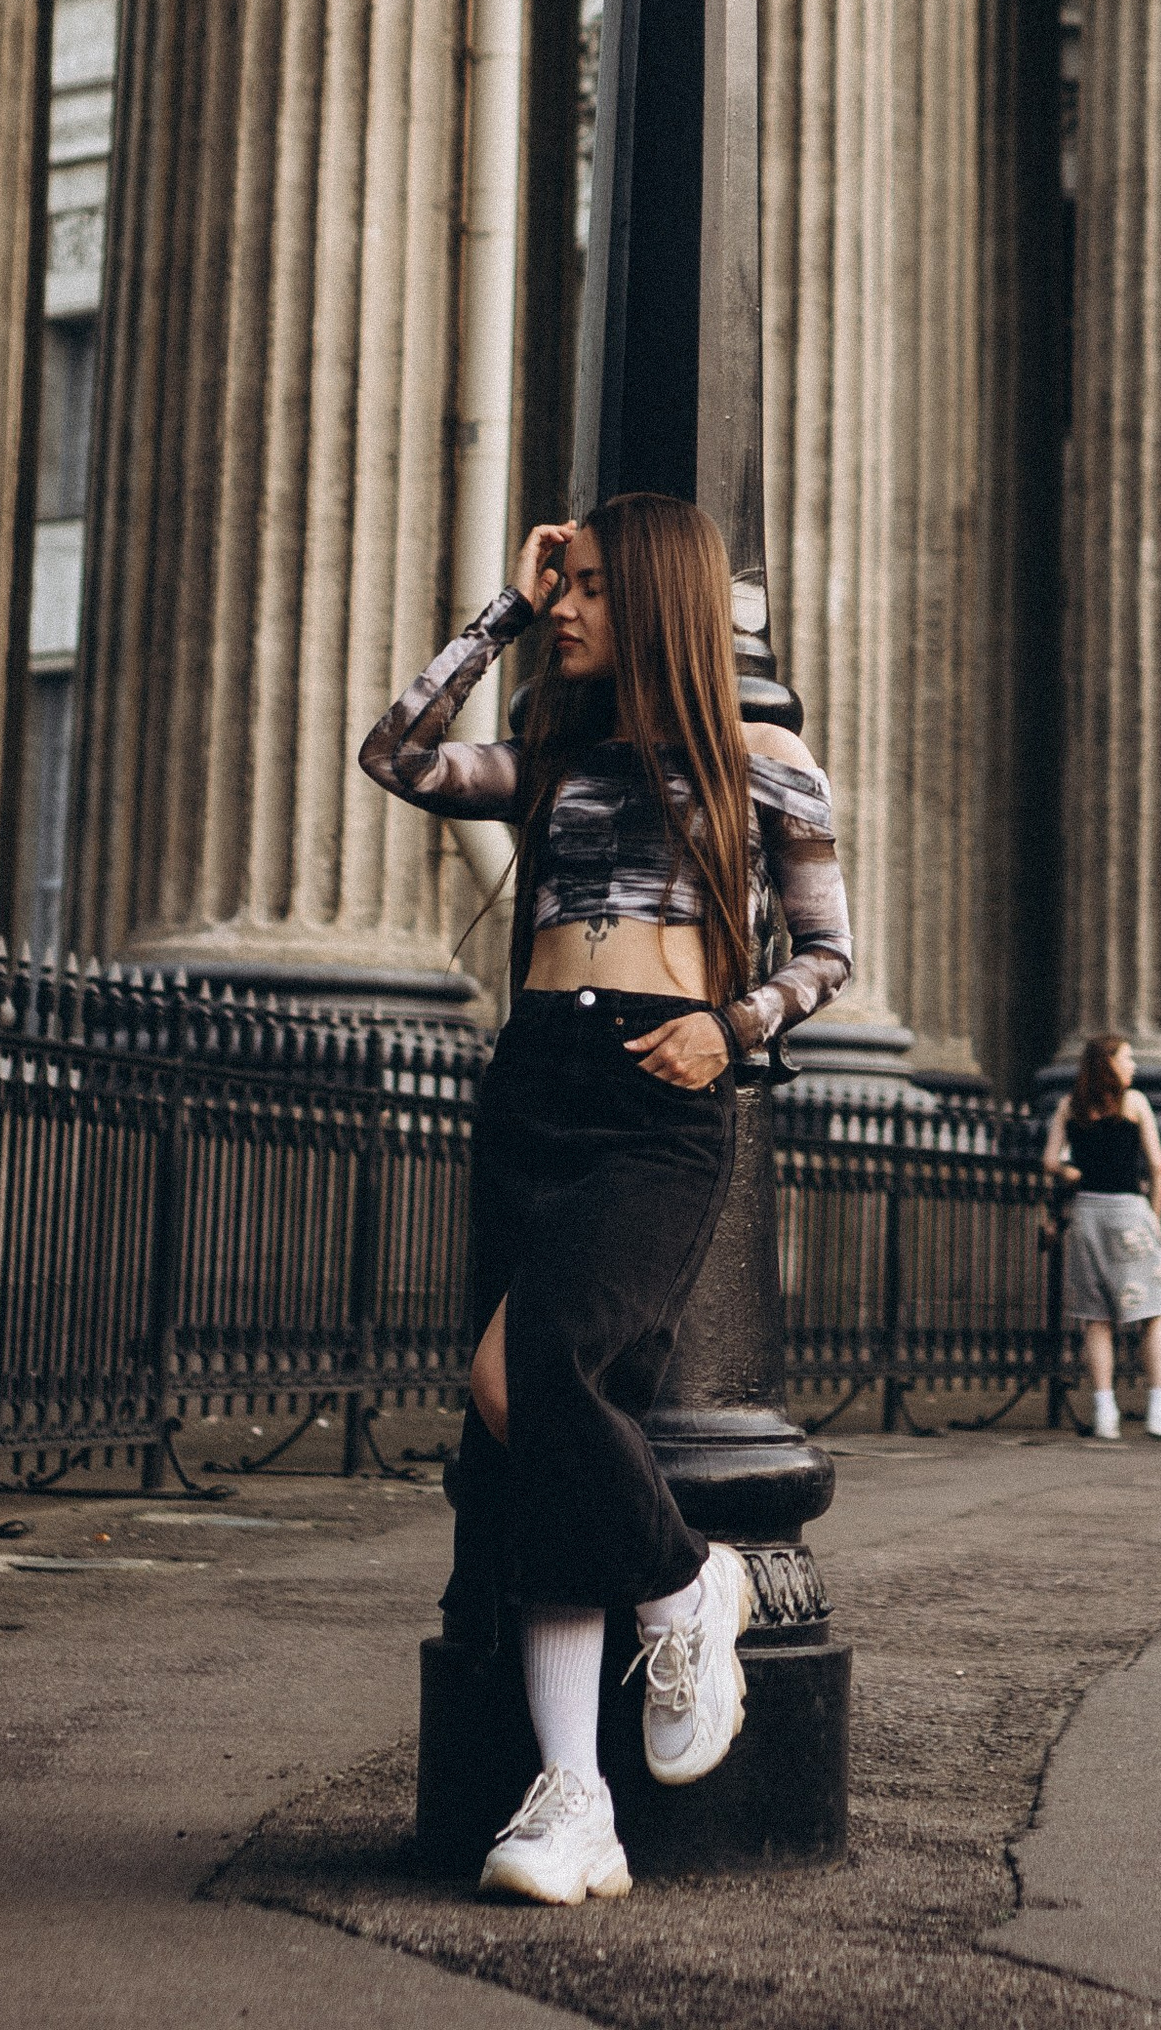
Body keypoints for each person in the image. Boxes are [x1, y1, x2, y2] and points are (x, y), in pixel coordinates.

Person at [356, 495, 854, 1904]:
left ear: (654, 599)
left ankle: (687, 1580)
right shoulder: (560, 756)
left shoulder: (766, 762)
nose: (563, 607)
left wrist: (736, 1025)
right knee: (547, 1443)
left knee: (532, 1374)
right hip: (539, 1080)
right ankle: (576, 1799)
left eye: (580, 588)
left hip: (657, 1093)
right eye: (555, 589)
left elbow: (828, 951)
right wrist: (497, 615)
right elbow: (394, 753)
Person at [1041, 1035, 1161, 1443]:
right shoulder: (1135, 1104)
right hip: (1129, 1212)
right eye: (1127, 1057)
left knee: (1096, 1318)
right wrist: (1155, 1215)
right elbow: (1159, 1168)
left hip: (1086, 1216)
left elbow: (1049, 1161)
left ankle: (1104, 1411)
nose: (1134, 1065)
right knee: (1154, 1310)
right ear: (1108, 1062)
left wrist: (1070, 1174)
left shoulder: (1069, 1106)